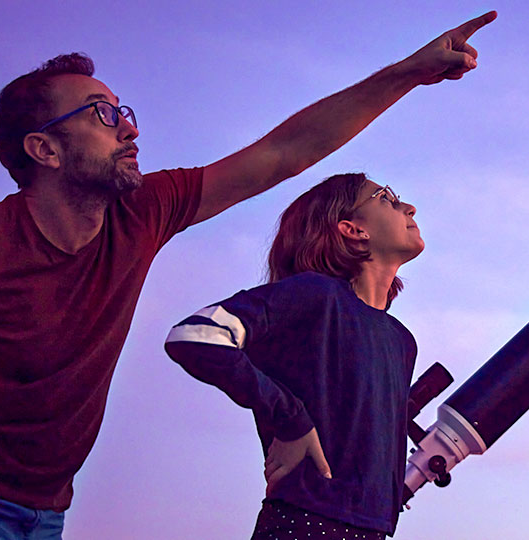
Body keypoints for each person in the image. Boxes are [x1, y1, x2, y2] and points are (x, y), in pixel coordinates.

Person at [0, 12, 495, 540]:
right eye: (104, 113)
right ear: (44, 151)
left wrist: (407, 74)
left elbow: (284, 153)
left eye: (125, 110)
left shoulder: (142, 211)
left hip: (47, 508)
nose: (130, 126)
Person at [165, 173, 423, 539]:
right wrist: (290, 418)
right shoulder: (314, 295)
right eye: (386, 198)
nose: (408, 206)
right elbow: (196, 335)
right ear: (352, 229)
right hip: (301, 524)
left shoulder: (401, 341)